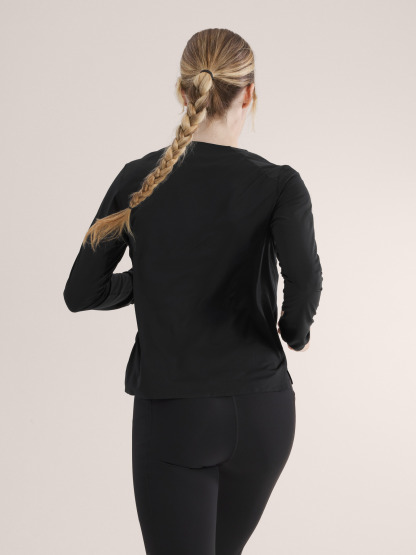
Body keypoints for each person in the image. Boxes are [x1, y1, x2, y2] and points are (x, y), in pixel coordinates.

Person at [63, 27, 323, 555]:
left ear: (183, 92)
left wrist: (150, 281)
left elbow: (82, 291)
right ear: (249, 94)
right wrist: (294, 333)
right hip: (265, 414)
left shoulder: (139, 178)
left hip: (177, 417)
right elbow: (305, 278)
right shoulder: (279, 183)